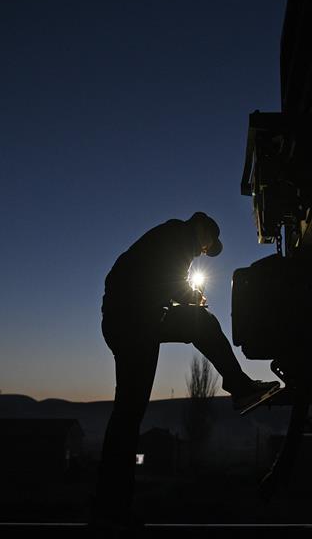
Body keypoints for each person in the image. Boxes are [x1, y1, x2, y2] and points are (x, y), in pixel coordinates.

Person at [92, 212, 279, 527]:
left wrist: (186, 296)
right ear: (203, 230)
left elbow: (158, 281)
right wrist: (191, 296)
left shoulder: (170, 239)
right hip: (134, 322)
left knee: (128, 413)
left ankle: (111, 507)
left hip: (134, 320)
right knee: (128, 414)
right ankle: (111, 509)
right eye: (208, 246)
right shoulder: (177, 237)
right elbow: (169, 281)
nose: (205, 252)